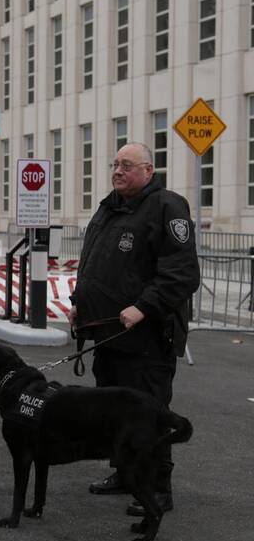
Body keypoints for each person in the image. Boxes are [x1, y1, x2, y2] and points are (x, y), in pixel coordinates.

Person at [68, 142, 199, 516]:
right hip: (108, 335)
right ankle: (126, 474)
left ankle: (158, 489)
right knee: (115, 412)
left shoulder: (166, 207)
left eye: (127, 165)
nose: (118, 171)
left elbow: (182, 274)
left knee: (149, 413)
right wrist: (80, 303)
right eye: (115, 164)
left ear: (148, 171)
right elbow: (96, 265)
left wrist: (144, 307)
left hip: (146, 340)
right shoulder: (110, 207)